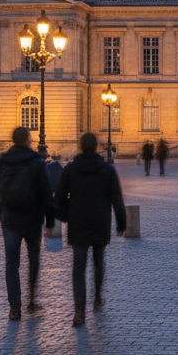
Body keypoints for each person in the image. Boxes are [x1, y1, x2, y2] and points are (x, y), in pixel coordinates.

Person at [56, 132, 127, 327]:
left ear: (80, 146)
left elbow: (60, 198)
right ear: (96, 147)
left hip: (77, 221)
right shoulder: (107, 169)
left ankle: (79, 310)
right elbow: (117, 198)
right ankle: (96, 299)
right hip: (99, 221)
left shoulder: (70, 169)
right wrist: (121, 222)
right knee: (98, 262)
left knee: (78, 267)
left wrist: (66, 215)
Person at [0, 127, 55, 320]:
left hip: (10, 219)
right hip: (33, 219)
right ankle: (32, 301)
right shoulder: (36, 162)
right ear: (27, 141)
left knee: (11, 264)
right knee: (34, 260)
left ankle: (14, 308)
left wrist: (3, 217)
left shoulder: (2, 161)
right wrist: (49, 221)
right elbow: (46, 194)